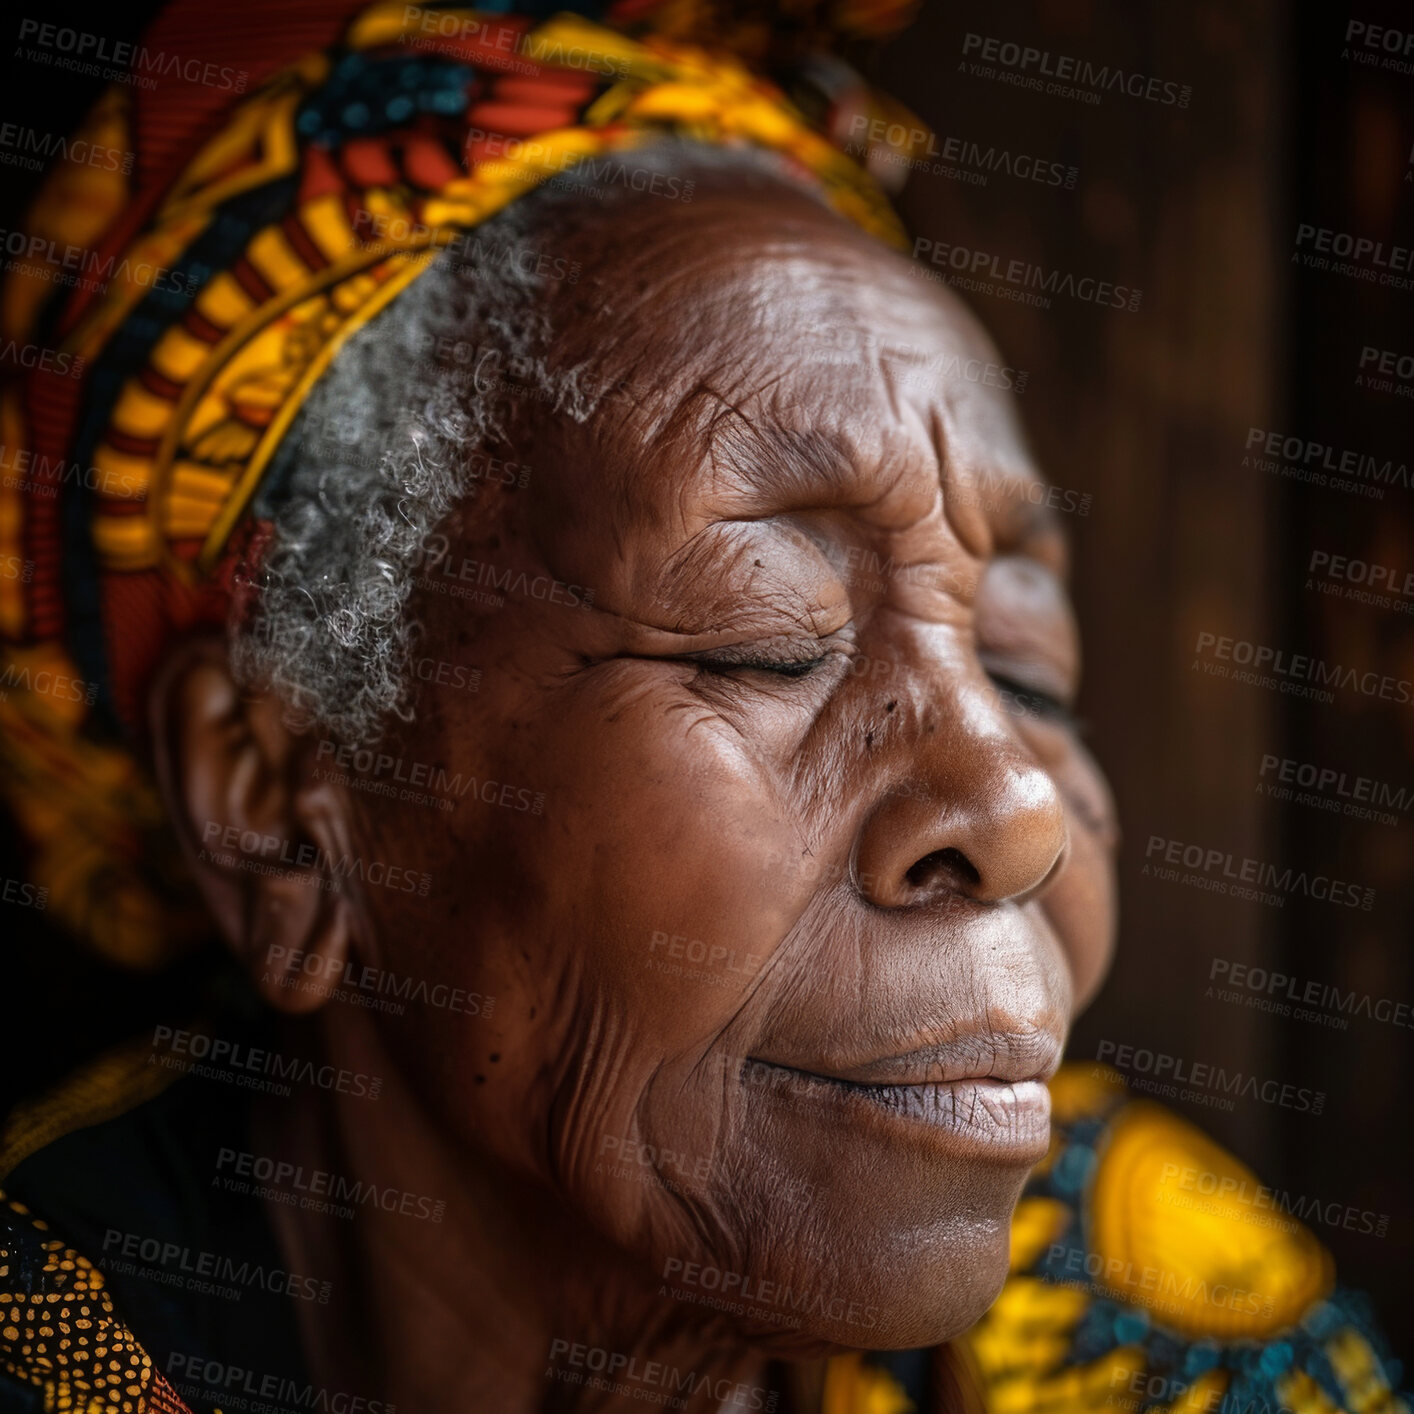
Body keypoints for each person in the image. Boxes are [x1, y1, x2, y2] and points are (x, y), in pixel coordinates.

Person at [0, 3, 1405, 1412]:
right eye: (763, 640)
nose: (1017, 811)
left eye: (1023, 669)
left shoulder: (1141, 1302)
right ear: (274, 801)